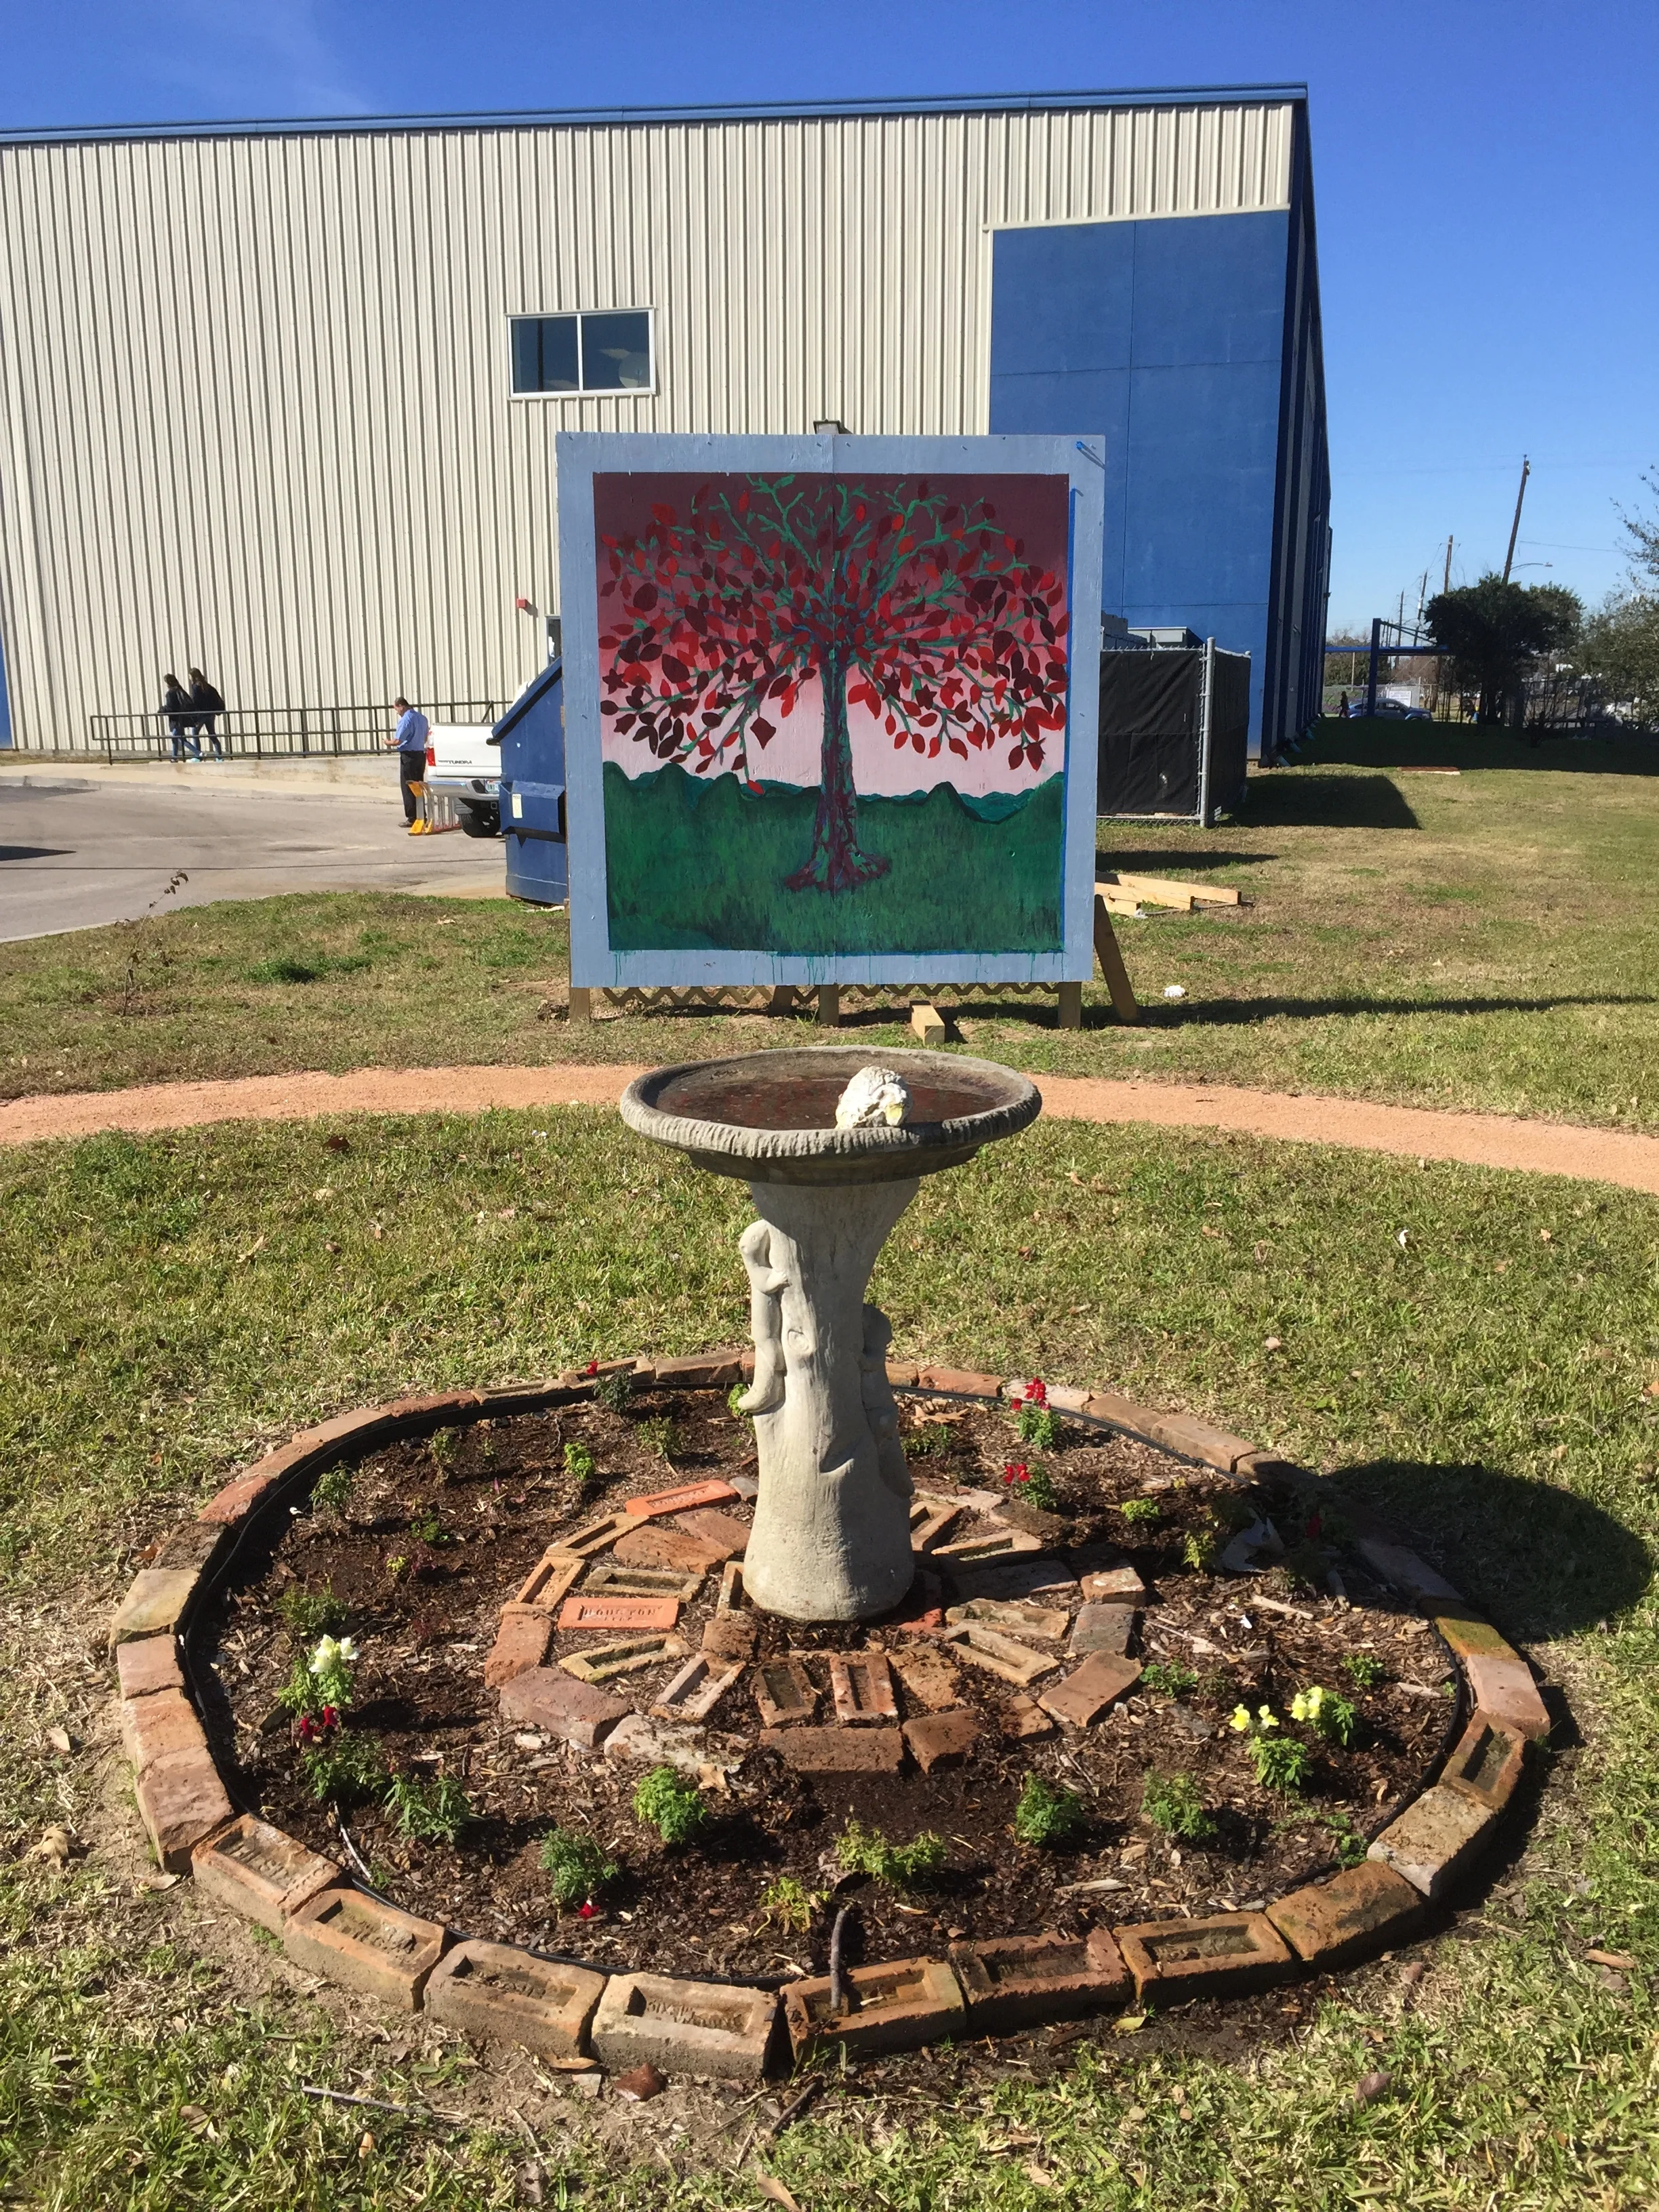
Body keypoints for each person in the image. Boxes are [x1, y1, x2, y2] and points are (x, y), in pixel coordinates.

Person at [386, 695, 431, 832]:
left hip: (409, 755)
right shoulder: (422, 718)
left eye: (397, 709)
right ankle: (421, 814)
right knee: (418, 784)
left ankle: (412, 817)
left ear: (401, 706)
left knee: (408, 786)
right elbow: (425, 737)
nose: (397, 713)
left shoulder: (406, 719)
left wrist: (387, 742)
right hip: (420, 754)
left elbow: (398, 741)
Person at [188, 666, 225, 759]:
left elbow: (195, 702)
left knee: (195, 733)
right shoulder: (208, 687)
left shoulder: (196, 687)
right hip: (211, 714)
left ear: (193, 677)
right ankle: (219, 756)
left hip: (201, 714)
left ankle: (198, 756)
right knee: (212, 734)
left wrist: (194, 715)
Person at [162, 673, 197, 761]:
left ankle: (198, 752)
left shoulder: (170, 693)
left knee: (180, 739)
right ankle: (174, 757)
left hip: (175, 719)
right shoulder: (180, 690)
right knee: (176, 738)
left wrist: (162, 710)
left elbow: (170, 707)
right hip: (181, 718)